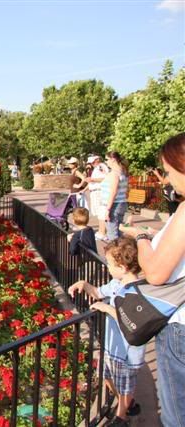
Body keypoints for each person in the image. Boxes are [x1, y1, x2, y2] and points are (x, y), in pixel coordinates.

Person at [120, 132, 185, 427]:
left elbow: (157, 273)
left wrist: (142, 238)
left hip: (179, 327)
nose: (167, 180)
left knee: (176, 417)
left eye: (169, 172)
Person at [69, 237, 145, 427]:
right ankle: (128, 405)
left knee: (125, 386)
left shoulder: (136, 291)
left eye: (110, 263)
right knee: (108, 378)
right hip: (112, 346)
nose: (108, 267)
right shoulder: (116, 284)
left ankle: (121, 418)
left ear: (123, 267)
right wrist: (84, 284)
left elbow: (129, 319)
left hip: (127, 351)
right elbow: (97, 292)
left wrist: (106, 308)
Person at [100, 152, 129, 241]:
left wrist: (108, 209)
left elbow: (113, 191)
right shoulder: (122, 171)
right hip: (121, 203)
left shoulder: (114, 174)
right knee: (118, 231)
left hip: (114, 205)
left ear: (113, 159)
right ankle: (121, 248)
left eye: (107, 159)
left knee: (112, 233)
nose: (106, 162)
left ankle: (115, 249)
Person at [85, 155, 110, 240]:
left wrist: (93, 180)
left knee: (101, 212)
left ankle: (102, 232)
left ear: (97, 160)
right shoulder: (96, 168)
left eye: (92, 162)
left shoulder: (100, 166)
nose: (91, 164)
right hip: (95, 192)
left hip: (98, 191)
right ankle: (101, 231)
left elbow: (105, 177)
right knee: (99, 212)